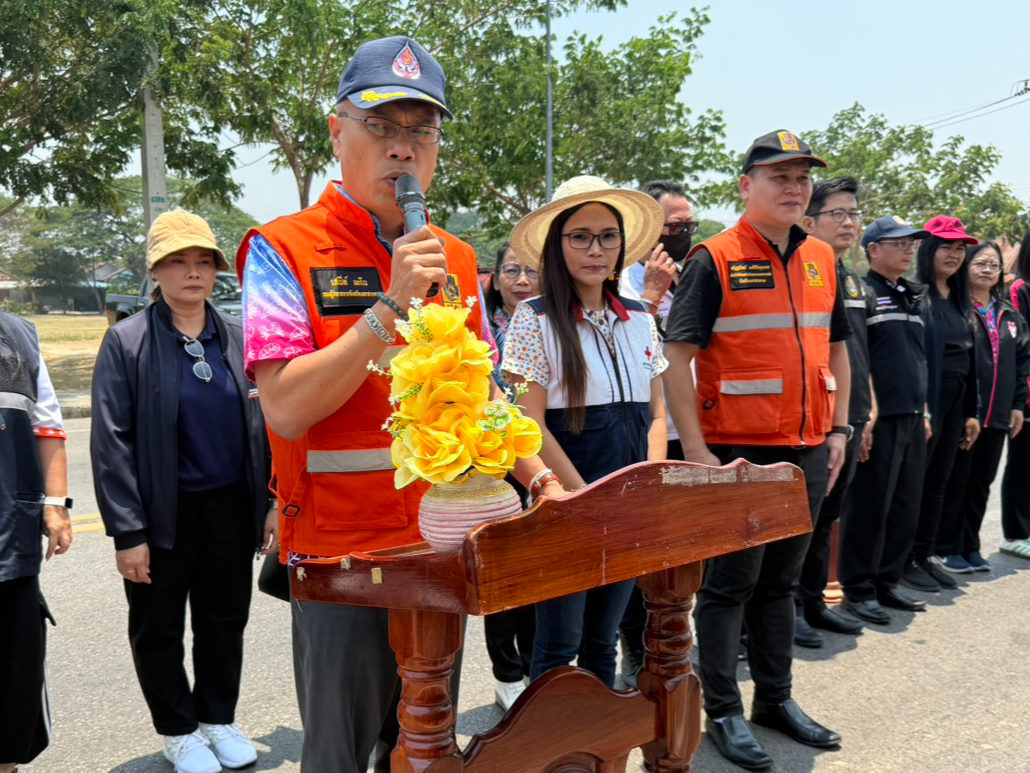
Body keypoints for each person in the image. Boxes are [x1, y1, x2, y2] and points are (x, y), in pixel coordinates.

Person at [236, 37, 563, 773]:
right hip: (343, 554)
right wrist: (388, 308)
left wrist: (541, 480)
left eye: (422, 132)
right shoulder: (282, 250)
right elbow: (285, 408)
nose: (403, 151)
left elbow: (483, 395)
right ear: (336, 132)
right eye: (382, 127)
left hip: (441, 544)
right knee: (340, 756)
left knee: (423, 747)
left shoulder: (451, 254)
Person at [663, 130, 851, 770]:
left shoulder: (824, 257)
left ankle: (775, 699)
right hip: (738, 448)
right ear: (747, 186)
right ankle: (722, 710)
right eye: (779, 176)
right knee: (728, 588)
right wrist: (697, 450)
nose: (794, 188)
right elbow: (676, 358)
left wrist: (841, 430)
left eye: (802, 178)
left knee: (782, 585)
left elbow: (838, 347)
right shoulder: (713, 259)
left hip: (808, 448)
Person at [91, 210, 275, 773]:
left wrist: (270, 502)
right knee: (159, 625)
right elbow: (111, 441)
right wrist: (129, 531)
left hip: (229, 506)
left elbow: (270, 424)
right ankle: (178, 729)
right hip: (160, 512)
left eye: (202, 262)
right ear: (156, 271)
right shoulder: (128, 342)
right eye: (178, 262)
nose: (192, 273)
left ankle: (218, 718)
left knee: (224, 618)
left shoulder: (240, 339)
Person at [502, 174, 668, 689]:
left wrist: (647, 482)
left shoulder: (641, 316)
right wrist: (584, 498)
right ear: (558, 244)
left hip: (630, 507)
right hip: (567, 506)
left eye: (607, 236)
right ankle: (550, 754)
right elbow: (527, 427)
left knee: (606, 637)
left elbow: (658, 414)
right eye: (580, 236)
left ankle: (598, 753)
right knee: (558, 644)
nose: (596, 249)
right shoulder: (533, 319)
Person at [615, 180, 694, 687]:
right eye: (672, 226)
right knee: (635, 556)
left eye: (689, 224)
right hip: (642, 434)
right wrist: (651, 297)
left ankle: (671, 652)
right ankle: (631, 655)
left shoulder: (693, 277)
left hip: (688, 431)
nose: (682, 233)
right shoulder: (622, 285)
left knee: (678, 556)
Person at [838, 216, 931, 625]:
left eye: (912, 242)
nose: (909, 248)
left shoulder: (911, 295)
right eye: (899, 242)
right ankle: (858, 588)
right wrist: (865, 419)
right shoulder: (865, 293)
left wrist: (925, 410)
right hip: (881, 417)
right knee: (870, 506)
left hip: (913, 415)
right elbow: (860, 359)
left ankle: (887, 581)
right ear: (873, 249)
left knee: (904, 504)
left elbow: (917, 360)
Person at [792, 177, 868, 648]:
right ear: (809, 222)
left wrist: (867, 408)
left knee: (827, 519)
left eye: (853, 214)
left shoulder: (849, 278)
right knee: (801, 523)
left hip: (848, 413)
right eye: (837, 214)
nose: (848, 223)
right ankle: (791, 608)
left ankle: (814, 600)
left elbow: (856, 352)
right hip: (811, 418)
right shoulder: (801, 273)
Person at [0, 313, 72, 773]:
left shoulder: (18, 333)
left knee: (14, 674)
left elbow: (47, 423)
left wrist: (56, 503)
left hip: (9, 532)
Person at [937, 242, 1029, 569]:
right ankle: (948, 547)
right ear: (966, 267)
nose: (988, 270)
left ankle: (970, 545)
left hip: (1000, 413)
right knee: (957, 480)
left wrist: (1018, 404)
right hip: (966, 413)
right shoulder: (958, 308)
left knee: (981, 482)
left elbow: (1022, 361)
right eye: (980, 263)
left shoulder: (1009, 314)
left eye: (993, 264)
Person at [901, 216, 980, 587]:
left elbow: (972, 357)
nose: (954, 254)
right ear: (929, 249)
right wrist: (926, 408)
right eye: (947, 246)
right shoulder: (916, 296)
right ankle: (902, 560)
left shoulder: (963, 301)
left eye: (960, 248)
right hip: (927, 401)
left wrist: (971, 412)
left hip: (958, 397)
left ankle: (925, 552)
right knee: (914, 482)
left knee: (939, 482)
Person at [482, 243, 538, 710]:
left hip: (544, 458)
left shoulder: (553, 322)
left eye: (531, 270)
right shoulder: (479, 329)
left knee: (539, 569)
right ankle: (507, 672)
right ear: (496, 278)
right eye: (512, 270)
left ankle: (540, 665)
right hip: (490, 464)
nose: (521, 279)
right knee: (501, 573)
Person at [1000, 234, 1030, 559]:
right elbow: (1023, 344)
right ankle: (1014, 533)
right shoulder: (1020, 289)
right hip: (1027, 393)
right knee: (1022, 463)